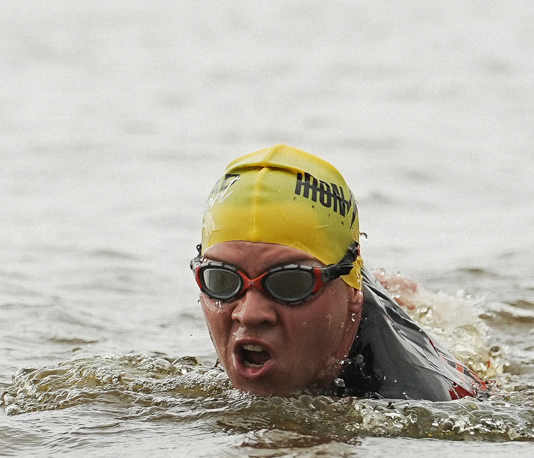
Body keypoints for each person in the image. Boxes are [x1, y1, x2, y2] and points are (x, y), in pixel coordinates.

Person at [193, 145, 486, 401]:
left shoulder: (419, 396)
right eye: (223, 279)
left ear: (351, 293)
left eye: (290, 284)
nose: (249, 314)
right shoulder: (326, 273)